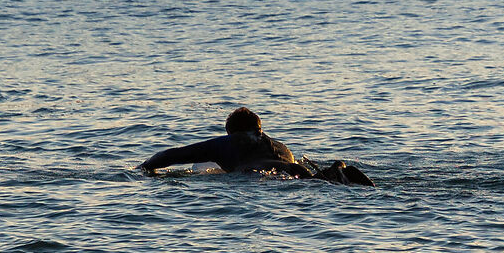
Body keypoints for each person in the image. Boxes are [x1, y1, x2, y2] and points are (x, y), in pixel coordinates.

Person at [140, 108, 374, 185]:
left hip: (257, 175)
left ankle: (336, 173)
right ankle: (338, 171)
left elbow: (171, 155)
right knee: (317, 181)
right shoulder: (281, 147)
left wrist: (145, 168)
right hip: (298, 172)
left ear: (231, 132)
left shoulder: (228, 143)